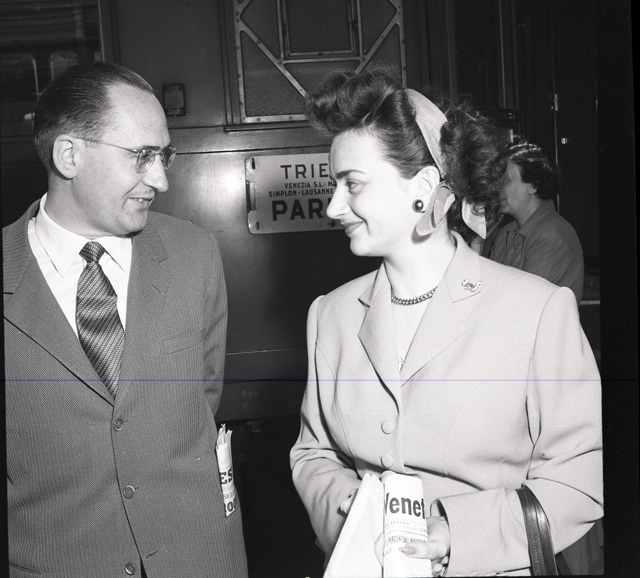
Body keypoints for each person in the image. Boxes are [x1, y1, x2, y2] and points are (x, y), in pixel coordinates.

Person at [290, 70, 602, 577]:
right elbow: (313, 453)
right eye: (334, 185)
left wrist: (455, 535)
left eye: (353, 184)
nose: (333, 206)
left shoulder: (539, 311)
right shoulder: (330, 314)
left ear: (423, 188)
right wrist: (350, 509)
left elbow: (579, 481)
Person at [3, 61, 248, 578]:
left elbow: (204, 397)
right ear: (69, 155)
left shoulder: (193, 254)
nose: (160, 179)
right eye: (141, 156)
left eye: (164, 156)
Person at [483, 141, 585, 303]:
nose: (497, 188)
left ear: (533, 185)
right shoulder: (506, 232)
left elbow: (523, 303)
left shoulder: (551, 236)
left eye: (505, 180)